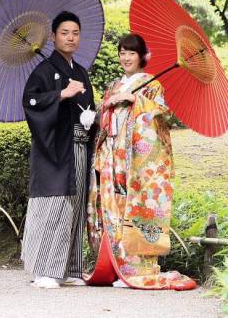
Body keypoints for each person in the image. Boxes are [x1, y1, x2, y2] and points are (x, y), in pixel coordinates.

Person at [87, 33, 196, 290]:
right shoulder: (114, 85)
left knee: (133, 205)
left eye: (131, 53)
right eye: (122, 53)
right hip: (111, 155)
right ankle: (115, 266)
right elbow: (105, 120)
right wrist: (105, 109)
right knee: (111, 207)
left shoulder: (151, 84)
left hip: (136, 160)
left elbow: (162, 116)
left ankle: (136, 270)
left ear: (142, 57)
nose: (126, 58)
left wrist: (136, 100)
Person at [20, 11, 97, 289]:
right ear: (53, 37)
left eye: (75, 33)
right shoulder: (43, 71)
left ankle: (69, 269)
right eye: (64, 33)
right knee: (54, 205)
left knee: (75, 206)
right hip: (54, 151)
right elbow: (30, 102)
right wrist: (61, 94)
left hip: (78, 146)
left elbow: (87, 109)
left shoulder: (80, 72)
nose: (70, 38)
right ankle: (44, 270)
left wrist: (91, 117)